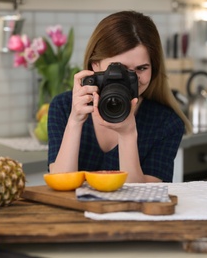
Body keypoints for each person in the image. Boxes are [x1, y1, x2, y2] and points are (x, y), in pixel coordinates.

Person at [47, 10, 191, 183]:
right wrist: (75, 121)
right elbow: (62, 183)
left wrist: (127, 134)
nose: (131, 78)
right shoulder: (63, 107)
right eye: (120, 68)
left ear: (154, 69)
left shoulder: (166, 123)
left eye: (142, 68)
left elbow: (143, 197)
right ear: (95, 65)